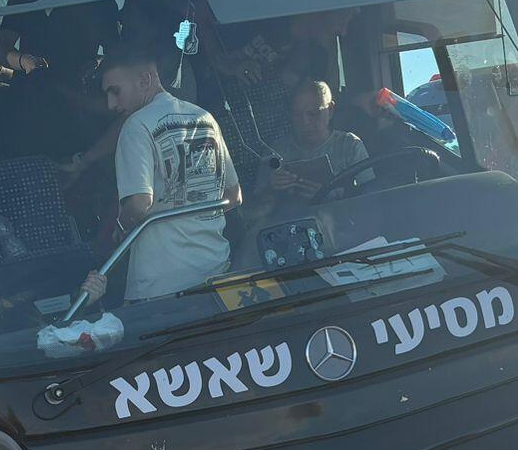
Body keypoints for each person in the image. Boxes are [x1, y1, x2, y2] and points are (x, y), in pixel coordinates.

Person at [99, 49, 240, 301]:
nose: (111, 104)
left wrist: (120, 226)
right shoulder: (205, 118)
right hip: (215, 272)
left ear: (144, 80)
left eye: (115, 91)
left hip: (161, 285)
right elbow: (234, 196)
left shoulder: (136, 126)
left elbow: (139, 203)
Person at [260, 80, 369, 214]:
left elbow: (370, 197)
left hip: (343, 224)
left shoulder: (350, 146)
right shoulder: (276, 151)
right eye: (297, 114)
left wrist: (333, 194)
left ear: (330, 110)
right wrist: (271, 188)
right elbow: (254, 207)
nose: (305, 122)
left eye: (313, 114)